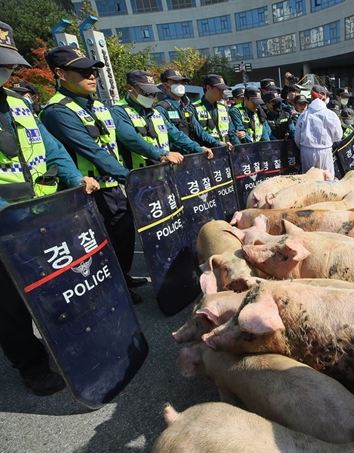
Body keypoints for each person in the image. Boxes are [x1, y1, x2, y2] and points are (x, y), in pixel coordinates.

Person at [0, 26, 100, 396]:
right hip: (5, 223)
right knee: (9, 304)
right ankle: (30, 364)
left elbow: (52, 147)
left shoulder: (16, 101)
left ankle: (68, 347)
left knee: (54, 285)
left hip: (41, 216)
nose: (5, 71)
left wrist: (75, 177)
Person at [41, 47, 154, 304]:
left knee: (123, 236)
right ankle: (108, 288)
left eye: (93, 71)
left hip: (113, 186)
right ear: (60, 73)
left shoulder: (99, 105)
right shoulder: (57, 111)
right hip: (86, 192)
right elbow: (91, 151)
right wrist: (131, 177)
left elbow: (123, 142)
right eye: (82, 71)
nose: (92, 76)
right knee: (97, 244)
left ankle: (121, 277)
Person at [111, 70, 211, 169]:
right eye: (145, 92)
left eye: (153, 93)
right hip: (139, 175)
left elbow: (175, 134)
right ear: (129, 88)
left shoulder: (154, 112)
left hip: (163, 171)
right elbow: (131, 139)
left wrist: (198, 148)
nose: (150, 96)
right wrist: (162, 154)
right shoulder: (118, 111)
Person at [155, 69, 226, 149]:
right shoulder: (161, 109)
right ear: (165, 85)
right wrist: (197, 148)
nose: (180, 85)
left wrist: (217, 143)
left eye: (182, 83)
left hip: (191, 155)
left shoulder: (185, 108)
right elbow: (175, 135)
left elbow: (200, 132)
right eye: (176, 82)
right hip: (176, 157)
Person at [294, 85, 342, 177]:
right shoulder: (331, 115)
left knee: (308, 180)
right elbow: (338, 136)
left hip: (306, 150)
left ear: (311, 97)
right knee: (327, 179)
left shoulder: (304, 115)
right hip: (325, 150)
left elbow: (297, 138)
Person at [192, 74, 236, 146]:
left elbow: (232, 132)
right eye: (219, 89)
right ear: (208, 88)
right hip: (207, 153)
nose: (222, 92)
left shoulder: (224, 107)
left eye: (223, 90)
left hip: (226, 150)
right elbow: (198, 134)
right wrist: (218, 143)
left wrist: (240, 149)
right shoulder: (193, 108)